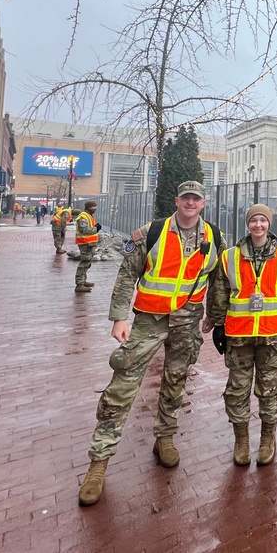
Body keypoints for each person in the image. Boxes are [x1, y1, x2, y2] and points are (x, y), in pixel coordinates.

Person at [78, 181, 226, 507]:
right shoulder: (151, 232)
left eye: (196, 199)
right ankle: (99, 462)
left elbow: (218, 279)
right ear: (177, 201)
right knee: (122, 387)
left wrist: (214, 317)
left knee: (176, 382)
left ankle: (165, 438)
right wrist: (119, 317)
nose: (190, 203)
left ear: (203, 204)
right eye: (185, 198)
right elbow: (127, 273)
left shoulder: (213, 236)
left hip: (187, 321)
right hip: (149, 319)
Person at [205, 204, 277, 467]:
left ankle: (268, 438)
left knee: (269, 389)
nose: (258, 225)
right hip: (239, 336)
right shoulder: (230, 256)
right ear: (247, 224)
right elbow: (220, 292)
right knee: (237, 390)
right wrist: (219, 325)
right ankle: (242, 439)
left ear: (269, 224)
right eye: (253, 221)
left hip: (271, 335)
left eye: (263, 220)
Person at [75, 201, 101, 293]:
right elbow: (83, 230)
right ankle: (80, 284)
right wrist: (96, 229)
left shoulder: (88, 216)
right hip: (85, 243)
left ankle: (83, 281)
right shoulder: (83, 217)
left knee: (87, 263)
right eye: (94, 207)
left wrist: (95, 227)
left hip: (89, 243)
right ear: (89, 207)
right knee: (84, 263)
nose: (95, 208)